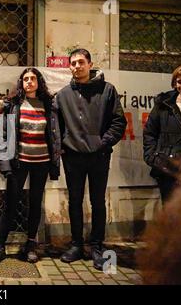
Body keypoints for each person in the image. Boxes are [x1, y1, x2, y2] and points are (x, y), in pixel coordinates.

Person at [52, 48, 127, 270]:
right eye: (73, 63)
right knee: (74, 201)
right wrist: (63, 146)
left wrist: (103, 144)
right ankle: (76, 245)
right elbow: (57, 125)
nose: (77, 66)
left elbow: (118, 122)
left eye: (81, 62)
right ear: (69, 67)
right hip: (73, 158)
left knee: (98, 202)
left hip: (99, 157)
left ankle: (97, 247)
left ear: (89, 63)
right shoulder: (63, 95)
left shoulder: (107, 90)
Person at [0, 67, 59, 265]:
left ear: (39, 82)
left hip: (42, 163)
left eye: (33, 78)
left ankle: (30, 244)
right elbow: (2, 136)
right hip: (19, 163)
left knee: (35, 204)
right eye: (25, 79)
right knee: (11, 204)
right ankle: (0, 246)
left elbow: (55, 134)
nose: (29, 81)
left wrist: (55, 161)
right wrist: (5, 164)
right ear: (21, 83)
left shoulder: (48, 104)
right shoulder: (13, 105)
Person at [143, 64, 181, 203]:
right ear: (174, 83)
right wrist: (153, 158)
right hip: (168, 168)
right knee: (170, 212)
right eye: (179, 82)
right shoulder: (163, 104)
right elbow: (150, 132)